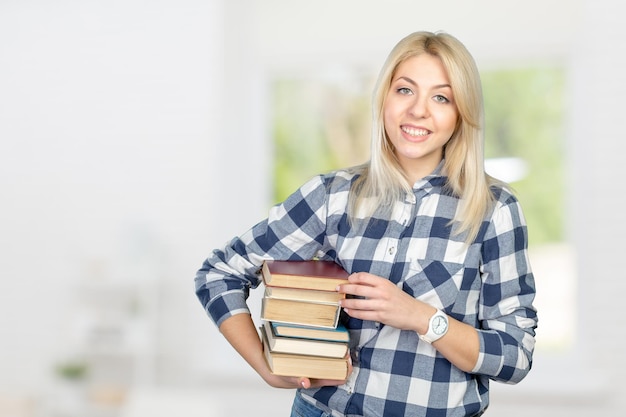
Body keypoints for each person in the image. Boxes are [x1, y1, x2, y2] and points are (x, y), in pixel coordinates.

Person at [195, 30, 537, 417]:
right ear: (385, 98)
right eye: (405, 90)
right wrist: (265, 365)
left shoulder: (494, 210)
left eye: (441, 97)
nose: (418, 110)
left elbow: (515, 355)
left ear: (462, 115)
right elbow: (218, 273)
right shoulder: (333, 196)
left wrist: (421, 317)